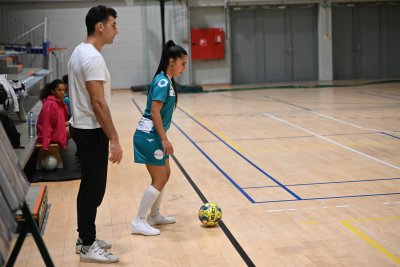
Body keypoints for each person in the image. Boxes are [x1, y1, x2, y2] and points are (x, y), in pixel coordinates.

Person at [68, 5, 122, 263]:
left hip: (83, 127)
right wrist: (114, 138)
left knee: (90, 187)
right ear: (100, 26)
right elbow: (98, 103)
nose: (116, 31)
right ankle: (88, 245)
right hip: (91, 131)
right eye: (113, 25)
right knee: (93, 189)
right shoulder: (92, 57)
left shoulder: (80, 51)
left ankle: (85, 238)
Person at [130, 40, 188, 236]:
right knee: (159, 178)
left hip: (152, 135)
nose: (184, 68)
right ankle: (138, 221)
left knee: (166, 174)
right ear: (171, 61)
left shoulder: (167, 80)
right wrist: (164, 139)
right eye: (183, 63)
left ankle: (154, 215)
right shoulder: (163, 82)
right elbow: (155, 112)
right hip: (148, 136)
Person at [36, 79, 69, 150]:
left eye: (63, 90)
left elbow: (59, 122)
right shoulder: (50, 104)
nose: (62, 92)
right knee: (79, 130)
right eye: (59, 90)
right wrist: (45, 146)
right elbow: (46, 125)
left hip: (55, 133)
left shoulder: (60, 103)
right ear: (52, 91)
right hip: (51, 138)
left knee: (79, 126)